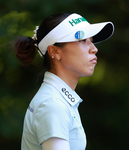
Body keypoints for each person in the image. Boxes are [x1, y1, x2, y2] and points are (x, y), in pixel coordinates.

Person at [14, 12, 114, 150]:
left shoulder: (58, 100)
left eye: (91, 40)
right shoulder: (53, 104)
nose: (94, 49)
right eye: (82, 40)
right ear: (54, 51)